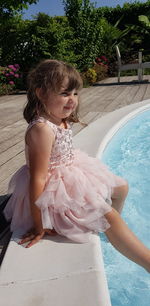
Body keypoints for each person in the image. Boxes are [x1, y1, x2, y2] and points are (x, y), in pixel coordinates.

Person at [4, 59, 150, 272]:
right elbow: (38, 179)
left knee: (121, 188)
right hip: (51, 193)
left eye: (75, 93)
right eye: (64, 93)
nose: (72, 100)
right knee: (107, 215)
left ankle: (109, 233)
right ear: (42, 94)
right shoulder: (42, 130)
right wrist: (39, 224)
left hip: (70, 171)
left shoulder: (60, 118)